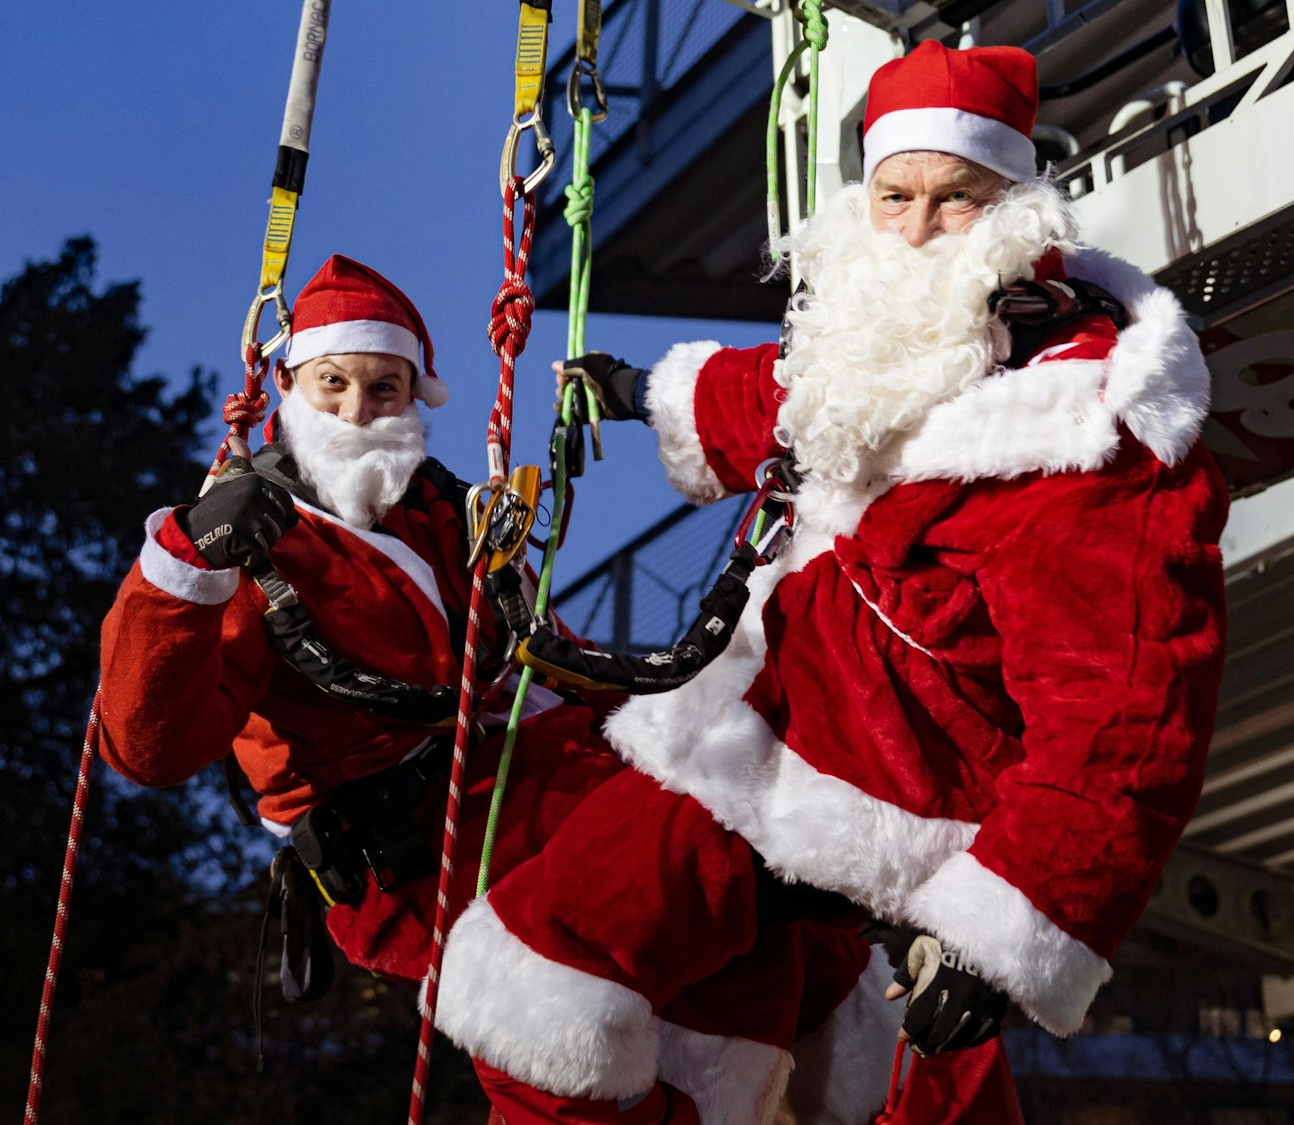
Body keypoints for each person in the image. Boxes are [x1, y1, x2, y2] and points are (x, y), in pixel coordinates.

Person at [431, 40, 1229, 1123]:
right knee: (545, 982)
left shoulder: (1083, 438)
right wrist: (644, 393)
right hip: (747, 733)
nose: (913, 230)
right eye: (894, 196)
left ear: (1017, 211)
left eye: (954, 201)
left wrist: (1002, 933)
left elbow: (1128, 713)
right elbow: (799, 392)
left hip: (897, 807)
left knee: (577, 978)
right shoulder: (894, 340)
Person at [93, 255, 888, 1125]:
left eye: (384, 389)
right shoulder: (256, 547)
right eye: (333, 386)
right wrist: (182, 567)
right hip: (414, 847)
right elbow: (151, 747)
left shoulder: (449, 518)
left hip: (536, 787)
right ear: (289, 388)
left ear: (415, 397)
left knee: (782, 925)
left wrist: (686, 723)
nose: (359, 412)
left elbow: (554, 659)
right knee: (608, 947)